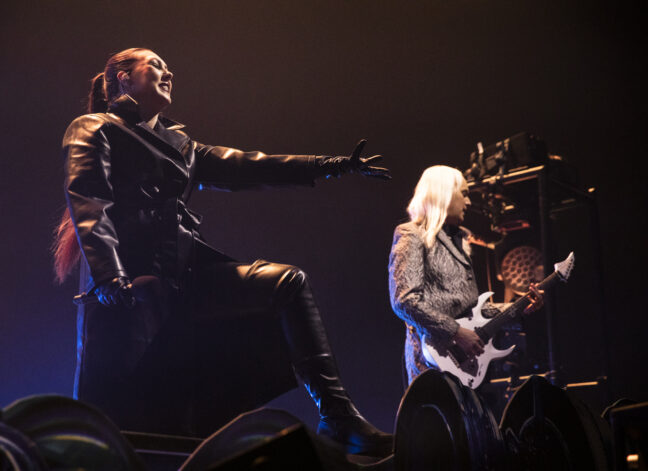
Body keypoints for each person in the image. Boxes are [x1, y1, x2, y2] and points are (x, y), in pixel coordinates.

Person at [52, 47, 392, 456]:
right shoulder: (95, 127)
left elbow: (250, 165)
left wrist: (333, 164)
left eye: (168, 67)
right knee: (125, 415)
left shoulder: (182, 144)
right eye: (156, 65)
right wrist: (109, 275)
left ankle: (337, 417)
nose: (169, 73)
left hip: (184, 275)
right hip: (133, 283)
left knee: (287, 282)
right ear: (124, 78)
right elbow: (89, 200)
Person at [388, 165, 543, 385]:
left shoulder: (460, 241)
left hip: (466, 366)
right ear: (444, 194)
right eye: (464, 194)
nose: (468, 202)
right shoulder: (411, 234)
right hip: (431, 364)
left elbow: (471, 310)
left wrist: (519, 307)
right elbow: (404, 301)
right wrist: (456, 332)